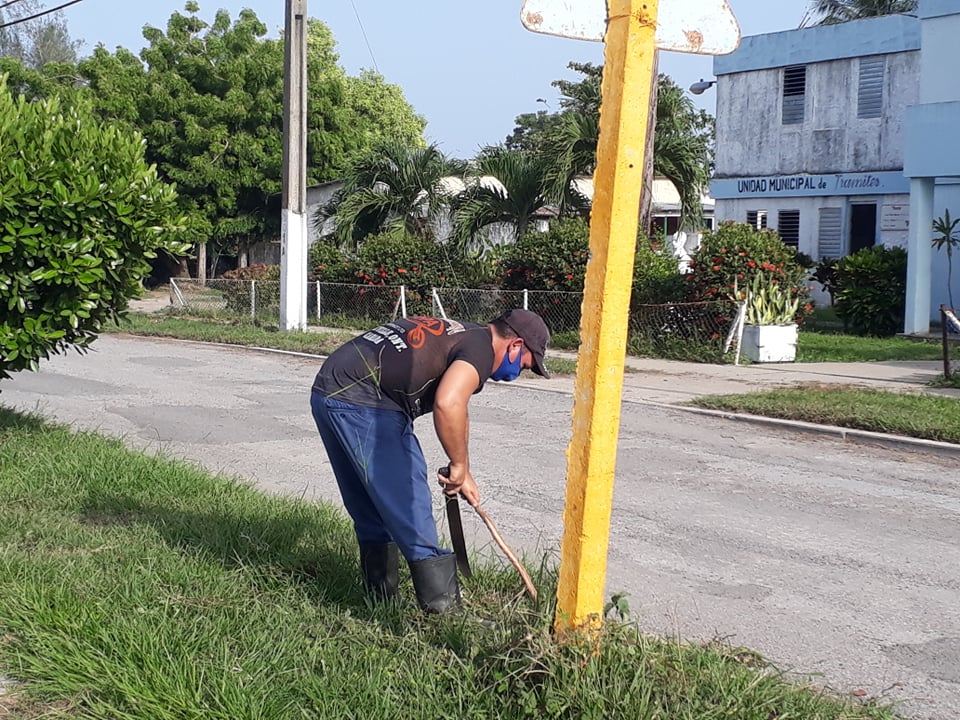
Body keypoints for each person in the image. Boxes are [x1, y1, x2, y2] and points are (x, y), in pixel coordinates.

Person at [310, 309, 550, 613]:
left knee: (369, 504)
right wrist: (459, 465)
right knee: (411, 500)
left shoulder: (467, 333)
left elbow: (459, 406)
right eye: (528, 365)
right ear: (515, 345)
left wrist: (463, 467)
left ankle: (379, 600)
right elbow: (448, 402)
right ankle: (444, 613)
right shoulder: (482, 350)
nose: (521, 372)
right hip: (365, 399)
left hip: (329, 389)